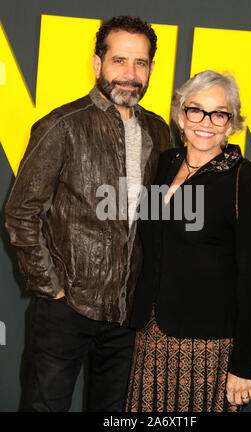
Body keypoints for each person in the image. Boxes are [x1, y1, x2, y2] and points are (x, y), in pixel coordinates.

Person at [5, 15, 172, 412]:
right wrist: (52, 288)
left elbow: (158, 217)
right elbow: (21, 213)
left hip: (127, 317)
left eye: (141, 63)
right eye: (120, 61)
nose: (130, 75)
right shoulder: (62, 125)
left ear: (150, 69)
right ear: (98, 64)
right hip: (67, 310)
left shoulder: (159, 131)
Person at [125, 70, 251, 412]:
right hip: (151, 337)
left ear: (231, 123)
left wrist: (242, 366)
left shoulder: (245, 180)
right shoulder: (163, 164)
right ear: (181, 115)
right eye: (196, 110)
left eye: (219, 113)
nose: (206, 122)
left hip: (209, 348)